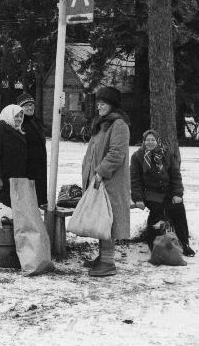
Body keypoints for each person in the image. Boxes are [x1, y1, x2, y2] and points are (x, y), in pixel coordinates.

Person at [81, 86, 131, 277]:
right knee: (101, 220)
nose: (99, 106)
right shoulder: (101, 124)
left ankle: (108, 263)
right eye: (99, 102)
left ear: (112, 105)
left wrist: (100, 173)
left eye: (103, 102)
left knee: (108, 221)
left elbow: (117, 154)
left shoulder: (118, 125)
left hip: (109, 183)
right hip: (98, 181)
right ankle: (103, 257)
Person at [131, 129, 195, 257]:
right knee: (157, 212)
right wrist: (138, 199)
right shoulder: (137, 156)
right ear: (143, 142)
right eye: (147, 140)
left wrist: (178, 194)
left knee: (178, 209)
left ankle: (184, 243)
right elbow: (135, 180)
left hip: (167, 192)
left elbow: (176, 175)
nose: (150, 142)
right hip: (149, 193)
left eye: (153, 140)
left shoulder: (166, 154)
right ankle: (154, 245)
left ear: (157, 141)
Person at [17, 92, 48, 207]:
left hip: (39, 166)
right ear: (20, 108)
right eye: (26, 105)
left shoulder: (35, 122)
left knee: (38, 198)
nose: (30, 107)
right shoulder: (20, 124)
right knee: (28, 200)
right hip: (27, 167)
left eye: (32, 105)